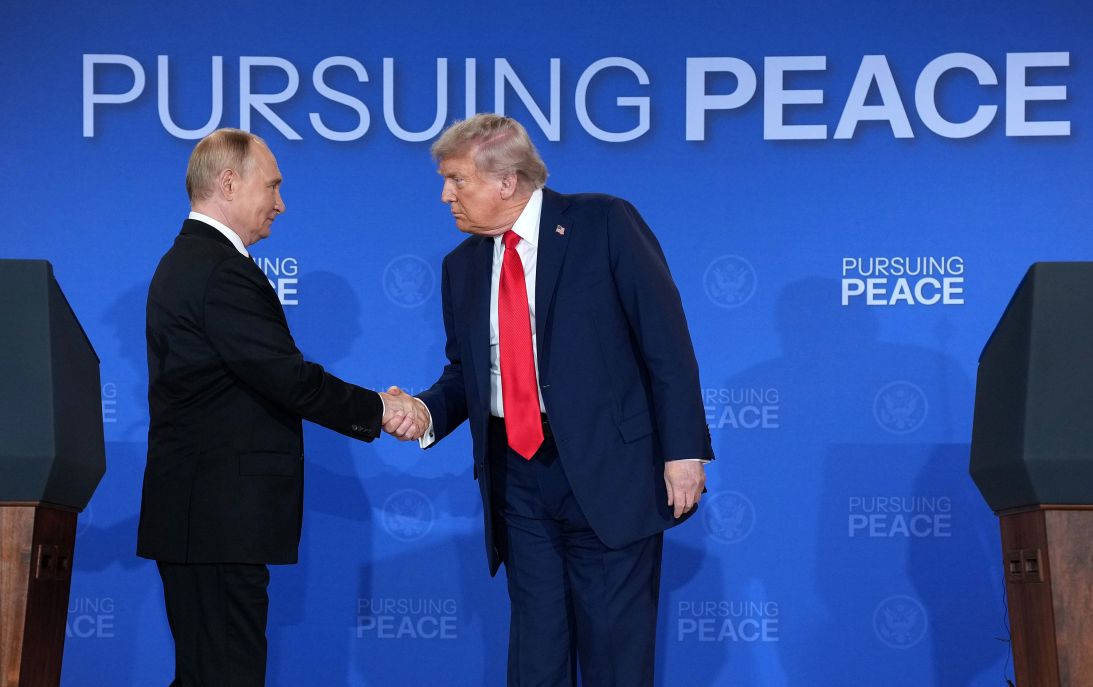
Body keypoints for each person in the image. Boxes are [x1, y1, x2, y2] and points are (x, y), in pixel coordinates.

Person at [387, 114, 714, 685]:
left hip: (610, 473)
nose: (445, 195)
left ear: (506, 181)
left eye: (457, 179)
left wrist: (684, 451)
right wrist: (425, 412)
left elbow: (665, 341)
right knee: (537, 657)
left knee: (615, 655)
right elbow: (468, 374)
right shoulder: (461, 266)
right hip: (519, 479)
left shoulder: (604, 223)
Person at [137, 128, 420, 686]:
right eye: (273, 186)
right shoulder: (219, 271)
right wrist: (379, 410)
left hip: (206, 521)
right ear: (228, 182)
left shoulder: (197, 263)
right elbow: (285, 377)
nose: (281, 204)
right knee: (225, 676)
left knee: (208, 674)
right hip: (217, 520)